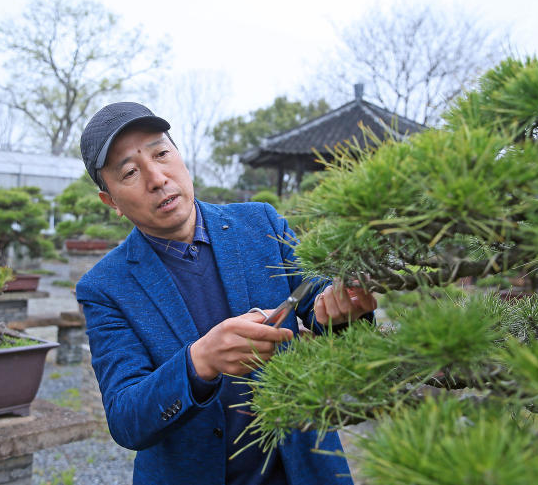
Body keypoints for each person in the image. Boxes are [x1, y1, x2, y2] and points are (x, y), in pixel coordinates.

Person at [76, 102, 377, 485]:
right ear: (111, 202)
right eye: (131, 172)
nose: (157, 178)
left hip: (305, 469)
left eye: (162, 153)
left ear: (180, 156)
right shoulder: (105, 287)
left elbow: (321, 298)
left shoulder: (261, 223)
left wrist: (342, 309)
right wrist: (199, 361)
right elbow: (125, 419)